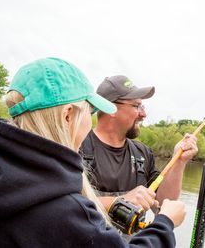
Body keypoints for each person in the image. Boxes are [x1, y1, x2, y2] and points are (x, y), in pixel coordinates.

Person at [0, 57, 186, 248]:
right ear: (68, 116)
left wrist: (180, 161)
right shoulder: (67, 211)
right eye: (89, 112)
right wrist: (164, 224)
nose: (90, 121)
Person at [80, 75, 198, 213]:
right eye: (137, 106)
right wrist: (121, 201)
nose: (144, 114)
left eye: (142, 106)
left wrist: (179, 162)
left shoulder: (142, 153)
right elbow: (65, 205)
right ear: (110, 108)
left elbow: (163, 205)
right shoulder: (77, 146)